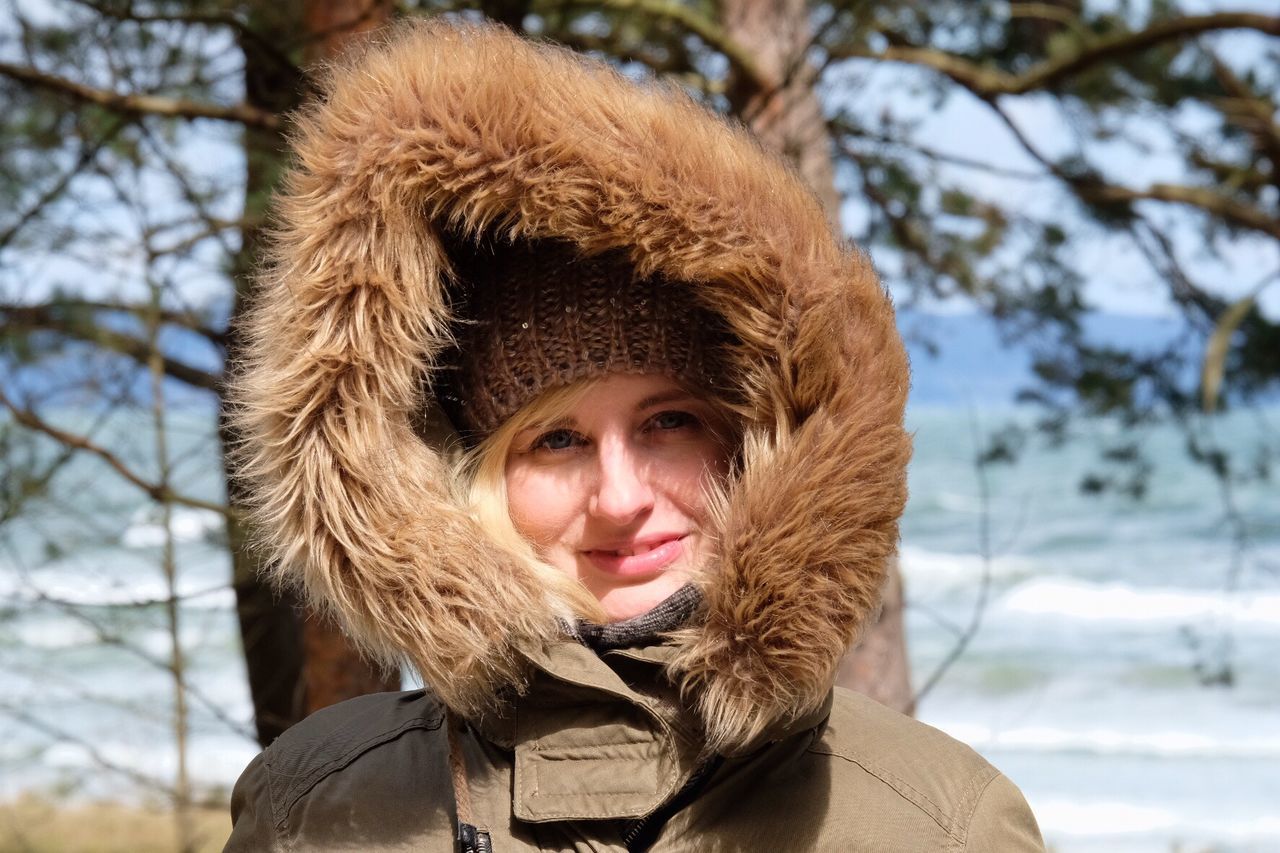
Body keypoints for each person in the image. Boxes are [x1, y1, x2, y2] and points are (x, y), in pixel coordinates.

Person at [225, 17, 1044, 853]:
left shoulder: (940, 825)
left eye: (669, 422)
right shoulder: (318, 811)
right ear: (470, 474)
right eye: (554, 441)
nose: (619, 497)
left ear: (757, 442)